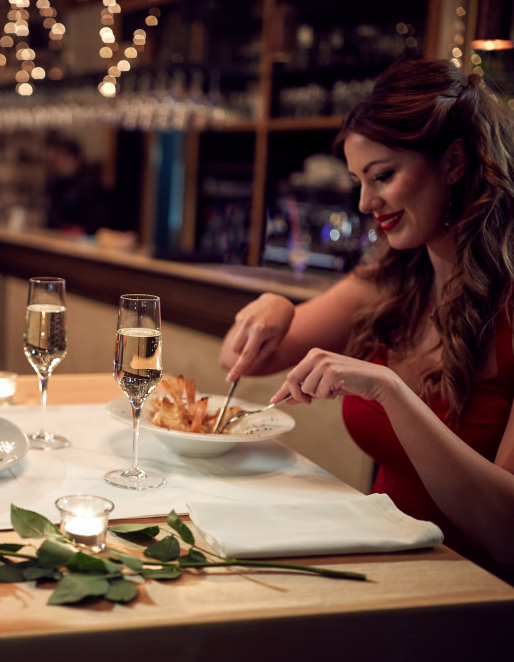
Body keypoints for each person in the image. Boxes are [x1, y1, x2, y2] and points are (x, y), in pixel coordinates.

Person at [219, 59, 514, 582]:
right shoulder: (392, 279)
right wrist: (278, 308)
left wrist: (389, 391)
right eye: (359, 180)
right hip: (381, 567)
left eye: (382, 176)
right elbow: (241, 359)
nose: (364, 202)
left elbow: (507, 532)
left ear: (454, 162)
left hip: (475, 598)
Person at [46, 136, 106, 236]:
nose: (60, 162)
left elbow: (95, 224)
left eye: (65, 157)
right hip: (57, 240)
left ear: (77, 160)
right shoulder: (56, 184)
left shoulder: (88, 186)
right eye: (57, 157)